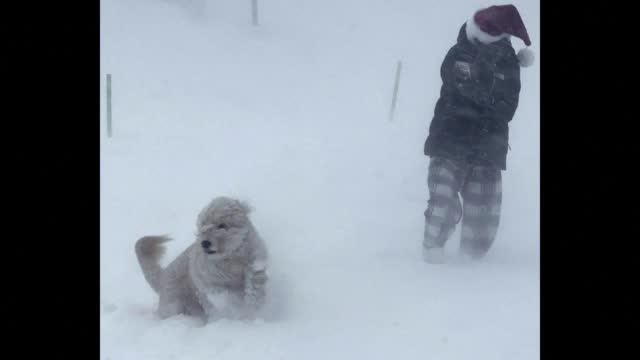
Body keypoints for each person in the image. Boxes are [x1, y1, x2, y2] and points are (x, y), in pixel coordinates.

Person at [422, 4, 534, 264]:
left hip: (488, 148)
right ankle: (430, 260)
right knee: (441, 203)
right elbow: (461, 90)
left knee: (482, 226)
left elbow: (506, 108)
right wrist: (485, 73)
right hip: (450, 141)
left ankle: (474, 273)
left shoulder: (509, 64)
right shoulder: (458, 53)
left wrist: (492, 77)